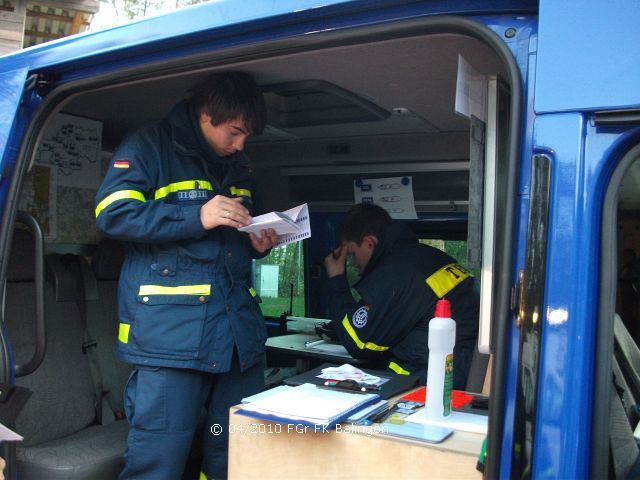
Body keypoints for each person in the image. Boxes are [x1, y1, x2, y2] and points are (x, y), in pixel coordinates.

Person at [95, 71, 277, 479]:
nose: (241, 144)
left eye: (247, 136)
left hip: (235, 340)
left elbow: (240, 228)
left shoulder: (238, 164)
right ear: (207, 114)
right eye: (235, 132)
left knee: (234, 457)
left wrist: (257, 240)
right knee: (157, 465)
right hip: (171, 341)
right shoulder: (149, 145)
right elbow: (113, 214)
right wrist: (197, 215)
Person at [323, 203, 479, 389]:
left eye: (353, 254)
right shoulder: (429, 258)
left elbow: (359, 343)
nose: (353, 263)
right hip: (459, 368)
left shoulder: (395, 273)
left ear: (369, 243)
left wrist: (336, 279)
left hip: (437, 380)